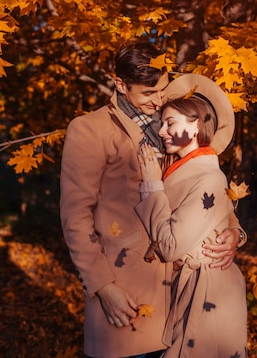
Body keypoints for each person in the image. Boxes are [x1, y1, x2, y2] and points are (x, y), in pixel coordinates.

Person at [60, 42, 246, 358]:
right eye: (148, 94)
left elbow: (203, 188)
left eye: (162, 90)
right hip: (125, 291)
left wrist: (234, 231)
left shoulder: (176, 122)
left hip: (180, 297)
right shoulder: (90, 130)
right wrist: (103, 288)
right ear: (120, 84)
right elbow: (75, 218)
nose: (158, 100)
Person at [135, 73, 248, 358]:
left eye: (170, 123)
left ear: (196, 126)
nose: (161, 131)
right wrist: (236, 231)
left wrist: (152, 187)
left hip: (206, 291)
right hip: (174, 286)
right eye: (162, 123)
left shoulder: (207, 175)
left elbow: (171, 246)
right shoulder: (177, 166)